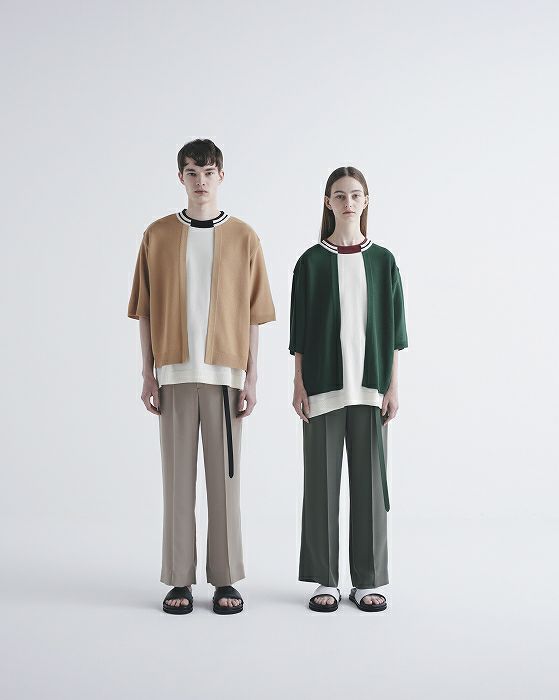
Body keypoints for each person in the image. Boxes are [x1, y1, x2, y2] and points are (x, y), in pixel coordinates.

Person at [128, 138, 276, 614]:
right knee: (177, 483)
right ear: (180, 178)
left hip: (225, 377)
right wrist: (147, 373)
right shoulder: (157, 235)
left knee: (225, 483)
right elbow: (145, 309)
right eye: (192, 172)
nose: (200, 181)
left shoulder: (244, 237)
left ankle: (226, 578)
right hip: (172, 374)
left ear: (221, 176)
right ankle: (179, 579)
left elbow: (255, 315)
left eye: (209, 172)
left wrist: (252, 378)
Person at [289, 166, 408, 613]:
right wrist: (298, 383)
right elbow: (299, 333)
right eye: (339, 195)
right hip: (322, 388)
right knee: (320, 487)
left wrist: (392, 387)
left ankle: (368, 580)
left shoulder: (384, 261)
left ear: (366, 201)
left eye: (355, 195)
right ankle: (325, 579)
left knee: (370, 488)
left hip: (371, 390)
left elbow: (395, 332)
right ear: (328, 202)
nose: (348, 203)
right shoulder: (310, 262)